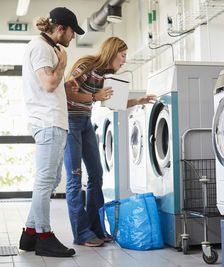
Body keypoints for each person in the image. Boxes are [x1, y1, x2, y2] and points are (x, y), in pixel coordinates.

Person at [63, 37, 157, 247]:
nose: (124, 61)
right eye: (122, 56)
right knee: (74, 180)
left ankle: (96, 229)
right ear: (112, 52)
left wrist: (138, 100)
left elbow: (114, 104)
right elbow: (67, 92)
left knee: (96, 175)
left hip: (85, 123)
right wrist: (95, 97)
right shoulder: (85, 66)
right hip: (71, 123)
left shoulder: (105, 76)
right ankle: (81, 234)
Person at [19, 7, 84, 257]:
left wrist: (63, 82)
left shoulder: (45, 48)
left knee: (51, 180)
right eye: (71, 32)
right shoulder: (41, 47)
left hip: (52, 122)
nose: (72, 37)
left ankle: (30, 233)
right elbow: (47, 83)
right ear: (60, 28)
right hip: (48, 123)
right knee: (46, 180)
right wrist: (63, 65)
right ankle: (44, 237)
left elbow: (48, 83)